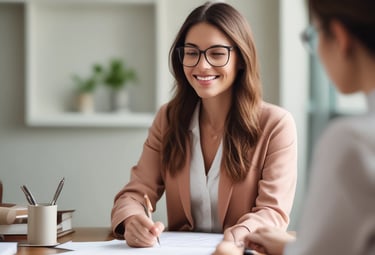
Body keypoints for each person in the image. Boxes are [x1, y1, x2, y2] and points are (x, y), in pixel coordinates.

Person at [111, 1, 297, 248]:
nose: (202, 65)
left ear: (241, 59)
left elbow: (273, 213)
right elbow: (134, 193)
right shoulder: (168, 119)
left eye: (217, 53)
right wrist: (133, 219)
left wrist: (235, 237)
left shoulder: (276, 125)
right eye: (191, 52)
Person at [213, 0, 375, 254]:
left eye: (316, 34)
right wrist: (293, 247)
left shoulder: (352, 141)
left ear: (341, 38)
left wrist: (228, 252)